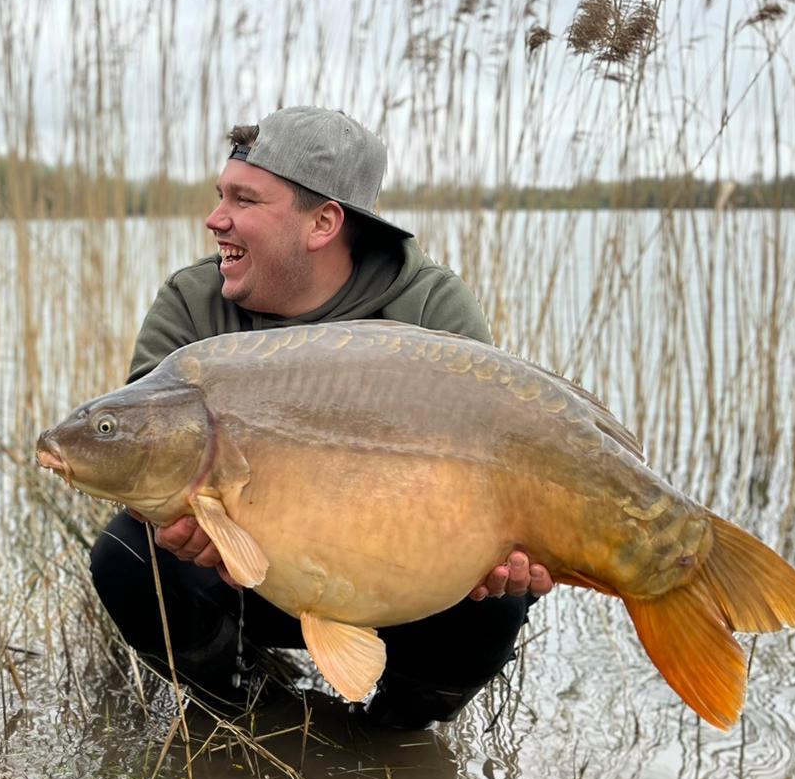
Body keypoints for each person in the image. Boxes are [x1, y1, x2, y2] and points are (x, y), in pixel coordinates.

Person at [89, 105, 553, 729]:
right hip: (245, 576)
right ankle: (239, 707)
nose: (215, 219)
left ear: (323, 222)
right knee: (127, 550)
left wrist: (500, 548)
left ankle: (393, 732)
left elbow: (488, 466)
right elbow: (143, 450)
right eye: (220, 195)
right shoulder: (193, 302)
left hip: (400, 581)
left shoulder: (430, 306)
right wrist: (176, 517)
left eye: (245, 200)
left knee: (502, 591)